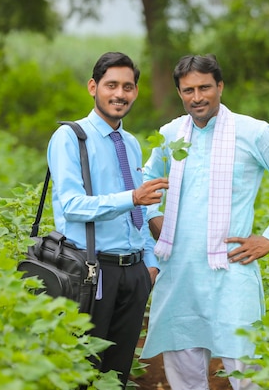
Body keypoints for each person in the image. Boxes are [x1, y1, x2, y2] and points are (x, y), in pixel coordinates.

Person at [141, 54, 269, 389]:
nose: (197, 97)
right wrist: (153, 214)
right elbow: (147, 178)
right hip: (180, 271)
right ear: (180, 93)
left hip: (231, 269)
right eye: (188, 90)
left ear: (220, 86)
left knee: (246, 370)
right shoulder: (170, 135)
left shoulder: (253, 132)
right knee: (183, 371)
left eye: (205, 87)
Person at [47, 52, 169, 388]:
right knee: (82, 371)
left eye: (127, 87)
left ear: (136, 92)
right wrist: (131, 197)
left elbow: (140, 213)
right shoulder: (70, 138)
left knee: (115, 373)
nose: (120, 94)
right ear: (93, 87)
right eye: (111, 85)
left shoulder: (129, 143)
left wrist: (149, 262)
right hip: (91, 271)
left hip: (133, 274)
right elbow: (72, 205)